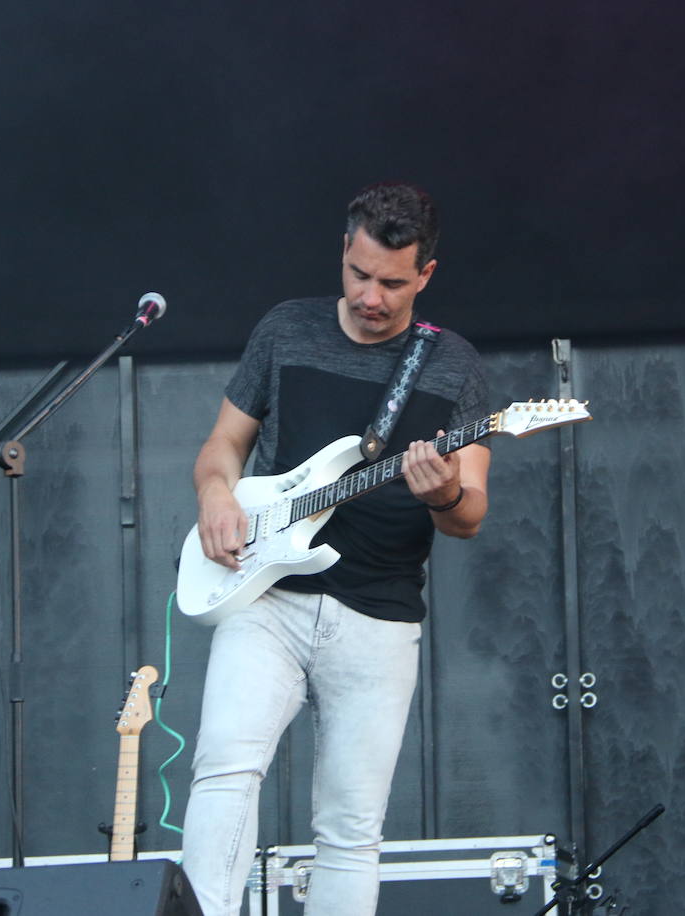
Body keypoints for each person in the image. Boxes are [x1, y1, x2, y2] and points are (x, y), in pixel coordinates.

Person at [180, 181, 492, 915]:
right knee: (224, 769)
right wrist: (217, 496)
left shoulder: (455, 367)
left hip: (379, 615)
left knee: (350, 829)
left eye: (391, 282)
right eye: (358, 275)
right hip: (268, 598)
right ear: (343, 254)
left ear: (426, 275)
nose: (370, 296)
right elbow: (224, 445)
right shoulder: (286, 331)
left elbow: (470, 514)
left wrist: (440, 490)